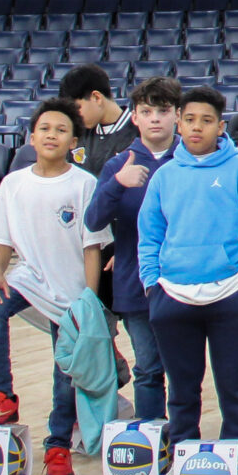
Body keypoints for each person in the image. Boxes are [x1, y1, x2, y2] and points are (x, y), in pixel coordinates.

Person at [0, 99, 107, 475]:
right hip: (28, 278)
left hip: (71, 291)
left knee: (65, 372)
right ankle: (1, 397)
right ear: (32, 136)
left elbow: (91, 246)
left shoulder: (85, 184)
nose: (51, 135)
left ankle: (58, 445)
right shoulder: (14, 183)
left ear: (73, 141)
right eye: (45, 128)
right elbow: (1, 237)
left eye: (61, 130)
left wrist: (89, 299)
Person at [139, 86, 238, 475]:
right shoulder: (164, 176)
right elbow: (149, 234)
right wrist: (153, 283)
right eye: (189, 119)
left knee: (235, 389)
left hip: (231, 292)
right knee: (181, 391)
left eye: (206, 120)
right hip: (172, 295)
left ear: (220, 126)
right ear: (178, 123)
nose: (196, 127)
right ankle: (181, 463)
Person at [85, 74, 182, 424]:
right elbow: (93, 221)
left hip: (185, 283)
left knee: (184, 370)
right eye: (146, 111)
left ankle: (186, 438)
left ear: (177, 115)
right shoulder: (118, 164)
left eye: (163, 110)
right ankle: (153, 440)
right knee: (148, 368)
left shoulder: (193, 161)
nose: (155, 118)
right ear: (135, 117)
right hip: (136, 284)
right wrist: (116, 185)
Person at [60, 65, 140, 184]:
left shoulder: (140, 131)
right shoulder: (77, 133)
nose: (73, 116)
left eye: (76, 108)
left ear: (96, 98)